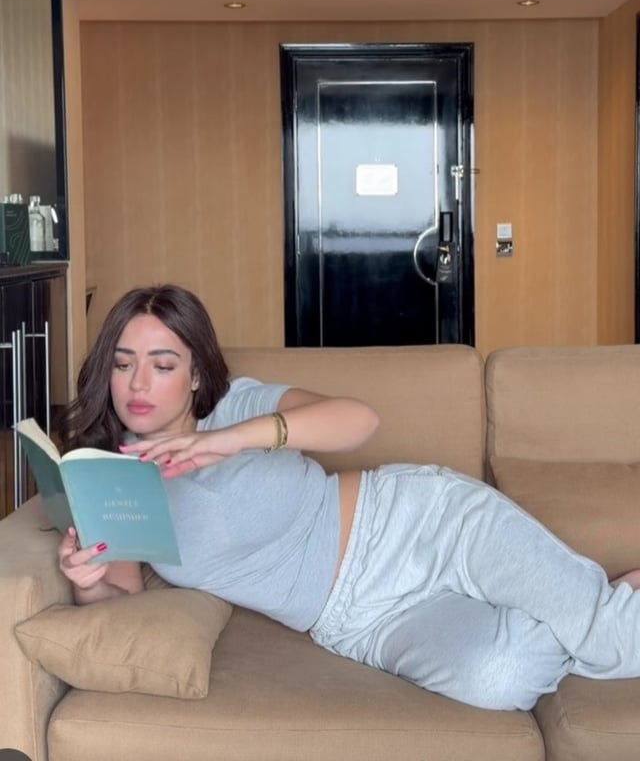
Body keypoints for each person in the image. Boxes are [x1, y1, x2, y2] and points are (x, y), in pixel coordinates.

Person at [57, 283, 640, 711]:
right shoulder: (112, 475)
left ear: (195, 377)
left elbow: (358, 420)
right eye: (123, 364)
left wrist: (224, 441)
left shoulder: (234, 406)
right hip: (358, 620)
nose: (138, 384)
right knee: (503, 677)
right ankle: (591, 602)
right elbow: (123, 596)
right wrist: (87, 582)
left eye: (162, 365)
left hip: (421, 526)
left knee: (610, 637)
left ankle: (594, 610)